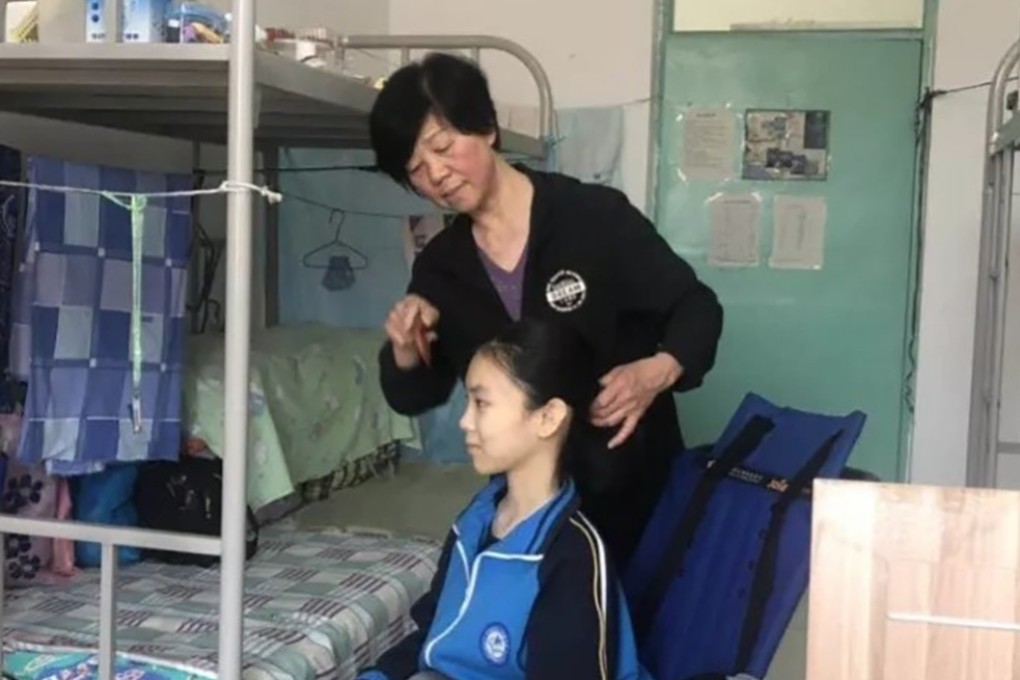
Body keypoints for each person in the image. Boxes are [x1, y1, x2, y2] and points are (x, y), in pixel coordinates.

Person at [371, 52, 723, 570]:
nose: (437, 176)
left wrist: (657, 370)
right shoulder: (443, 266)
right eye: (417, 170)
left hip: (632, 485)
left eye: (444, 148)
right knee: (542, 634)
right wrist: (405, 350)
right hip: (528, 504)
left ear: (487, 127)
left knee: (637, 633)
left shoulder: (593, 217)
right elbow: (415, 394)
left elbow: (696, 308)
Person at [356, 318, 651, 680]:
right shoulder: (475, 520)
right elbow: (432, 634)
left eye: (481, 403)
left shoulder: (571, 558)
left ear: (547, 417)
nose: (464, 421)